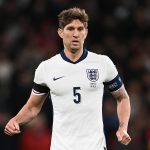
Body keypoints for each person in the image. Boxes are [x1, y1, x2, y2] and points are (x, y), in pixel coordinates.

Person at [4, 7, 131, 150]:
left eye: (80, 29)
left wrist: (123, 127)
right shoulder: (46, 68)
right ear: (60, 32)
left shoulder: (102, 63)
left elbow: (122, 98)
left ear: (86, 32)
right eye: (70, 29)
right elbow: (33, 107)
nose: (76, 34)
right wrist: (15, 120)